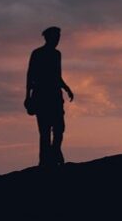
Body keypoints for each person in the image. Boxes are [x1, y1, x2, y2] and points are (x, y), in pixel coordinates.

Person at [25, 26, 74, 167]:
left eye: (58, 38)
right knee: (45, 131)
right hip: (42, 96)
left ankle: (54, 153)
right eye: (55, 37)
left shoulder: (57, 54)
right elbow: (30, 75)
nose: (57, 40)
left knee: (59, 128)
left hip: (55, 96)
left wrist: (66, 88)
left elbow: (57, 76)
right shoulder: (37, 53)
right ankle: (45, 161)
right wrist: (27, 96)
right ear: (48, 38)